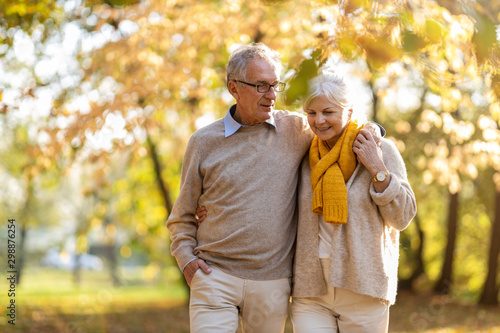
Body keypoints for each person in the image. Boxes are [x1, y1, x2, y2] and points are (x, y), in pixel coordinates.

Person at [166, 43, 314, 333]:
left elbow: (340, 124)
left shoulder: (297, 130)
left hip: (272, 282)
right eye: (261, 86)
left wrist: (373, 133)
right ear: (234, 88)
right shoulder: (204, 141)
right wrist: (186, 260)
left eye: (274, 85)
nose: (271, 95)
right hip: (213, 276)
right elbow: (182, 214)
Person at [291, 71, 417, 332]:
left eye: (328, 111)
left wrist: (377, 168)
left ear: (349, 112)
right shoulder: (304, 153)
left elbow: (403, 216)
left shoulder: (380, 148)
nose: (319, 120)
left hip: (363, 287)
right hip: (311, 288)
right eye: (311, 113)